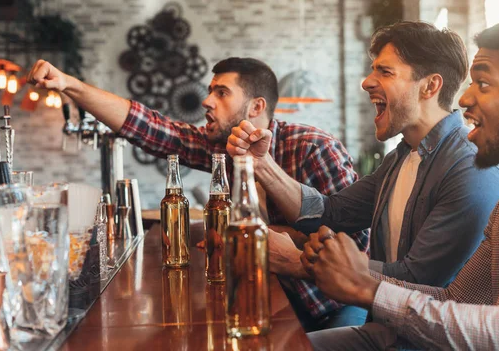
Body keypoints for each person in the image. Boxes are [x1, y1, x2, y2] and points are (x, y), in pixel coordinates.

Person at [302, 19, 499, 350]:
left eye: (483, 84)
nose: (466, 98)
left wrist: (366, 288)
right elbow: (454, 297)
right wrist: (355, 276)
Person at [27, 57, 370, 331]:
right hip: (271, 298)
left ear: (256, 107)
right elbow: (150, 127)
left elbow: (355, 248)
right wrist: (69, 84)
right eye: (210, 90)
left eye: (221, 92)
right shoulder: (222, 147)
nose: (206, 100)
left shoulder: (313, 148)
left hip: (330, 305)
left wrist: (268, 237)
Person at [227, 22, 499, 288]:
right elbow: (330, 213)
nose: (366, 82)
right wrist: (261, 164)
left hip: (425, 339)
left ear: (430, 86)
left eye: (385, 72)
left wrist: (298, 262)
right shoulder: (401, 158)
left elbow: (416, 280)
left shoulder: (470, 168)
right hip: (385, 331)